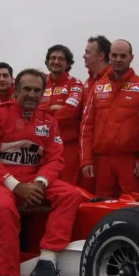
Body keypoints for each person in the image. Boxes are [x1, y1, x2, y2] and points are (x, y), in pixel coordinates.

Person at [0, 68, 83, 276]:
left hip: (35, 179)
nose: (32, 94)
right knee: (5, 208)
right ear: (15, 90)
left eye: (37, 90)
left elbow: (56, 159)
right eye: (27, 89)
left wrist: (40, 183)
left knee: (71, 194)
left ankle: (46, 263)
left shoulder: (49, 120)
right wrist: (16, 186)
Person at [80, 39, 139, 198]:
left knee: (133, 210)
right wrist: (86, 160)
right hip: (102, 161)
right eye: (115, 55)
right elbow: (86, 126)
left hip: (131, 162)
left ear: (131, 57)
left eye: (123, 56)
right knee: (103, 209)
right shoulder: (98, 87)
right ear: (109, 56)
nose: (118, 59)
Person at [40, 45, 85, 184]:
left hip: (68, 146)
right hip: (42, 145)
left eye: (61, 59)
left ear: (68, 64)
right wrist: (52, 107)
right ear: (47, 62)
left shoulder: (75, 83)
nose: (56, 61)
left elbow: (70, 113)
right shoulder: (40, 81)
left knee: (67, 186)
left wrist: (43, 112)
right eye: (52, 58)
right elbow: (30, 108)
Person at [79, 35, 113, 193]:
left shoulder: (113, 79)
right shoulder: (87, 82)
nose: (83, 56)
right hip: (89, 153)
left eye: (87, 52)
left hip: (109, 155)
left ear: (101, 55)